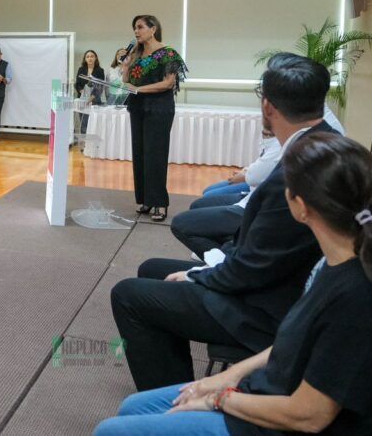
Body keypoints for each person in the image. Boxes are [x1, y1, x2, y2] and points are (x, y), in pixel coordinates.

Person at [95, 132, 372, 436]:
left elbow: (309, 415)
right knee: (132, 408)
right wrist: (224, 379)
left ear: (300, 206)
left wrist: (221, 399)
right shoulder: (330, 264)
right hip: (265, 388)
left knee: (110, 431)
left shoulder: (354, 294)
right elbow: (291, 343)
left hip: (276, 420)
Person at [110, 54, 335, 392]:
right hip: (279, 284)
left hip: (264, 309)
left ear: (268, 106)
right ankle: (173, 382)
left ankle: (177, 407)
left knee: (127, 295)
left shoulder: (297, 171)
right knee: (151, 268)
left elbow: (254, 268)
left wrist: (201, 274)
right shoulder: (323, 142)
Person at [171, 127, 281, 260]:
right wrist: (244, 171)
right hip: (249, 194)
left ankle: (221, 257)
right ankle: (220, 247)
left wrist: (243, 175)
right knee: (203, 199)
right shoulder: (275, 139)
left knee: (185, 220)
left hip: (252, 200)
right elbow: (260, 163)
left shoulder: (285, 144)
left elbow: (255, 176)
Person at [120, 15, 188, 222]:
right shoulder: (137, 54)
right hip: (138, 108)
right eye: (134, 28)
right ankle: (145, 199)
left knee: (155, 155)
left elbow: (168, 84)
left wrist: (139, 89)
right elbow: (126, 81)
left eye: (140, 27)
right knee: (140, 153)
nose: (136, 31)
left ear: (153, 28)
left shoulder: (168, 54)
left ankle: (160, 202)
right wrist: (126, 65)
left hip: (159, 109)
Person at [75, 49, 106, 134]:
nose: (90, 58)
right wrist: (82, 93)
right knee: (83, 123)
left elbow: (100, 87)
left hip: (94, 100)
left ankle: (93, 145)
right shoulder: (81, 69)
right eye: (87, 56)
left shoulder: (100, 70)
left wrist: (90, 98)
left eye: (92, 56)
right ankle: (84, 144)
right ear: (85, 59)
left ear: (95, 58)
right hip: (82, 99)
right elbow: (77, 84)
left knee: (93, 123)